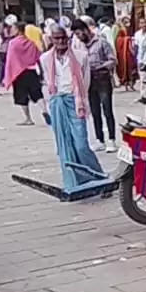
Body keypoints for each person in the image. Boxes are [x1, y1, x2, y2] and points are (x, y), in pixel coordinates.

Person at [39, 26, 110, 194]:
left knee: (81, 145)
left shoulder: (80, 56)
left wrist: (82, 102)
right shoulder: (45, 58)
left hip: (75, 100)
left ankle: (100, 180)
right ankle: (75, 183)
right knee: (65, 145)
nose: (61, 42)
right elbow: (48, 81)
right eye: (57, 39)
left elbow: (85, 82)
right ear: (52, 39)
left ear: (68, 38)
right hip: (57, 102)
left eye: (63, 38)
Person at [78, 19, 118, 152]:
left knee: (107, 110)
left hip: (102, 78)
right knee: (94, 111)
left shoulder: (102, 42)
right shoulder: (80, 46)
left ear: (85, 30)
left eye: (79, 34)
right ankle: (99, 139)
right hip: (89, 80)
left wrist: (101, 66)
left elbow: (112, 60)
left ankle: (111, 139)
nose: (78, 37)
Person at [2, 18, 45, 125]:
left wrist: (7, 76)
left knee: (22, 96)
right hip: (31, 71)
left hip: (19, 73)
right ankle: (45, 110)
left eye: (13, 28)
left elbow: (10, 60)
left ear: (17, 30)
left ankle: (28, 119)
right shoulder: (31, 42)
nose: (11, 30)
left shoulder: (13, 43)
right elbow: (38, 56)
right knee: (37, 93)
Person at [115, 14, 139, 91]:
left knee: (132, 67)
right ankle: (126, 84)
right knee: (125, 67)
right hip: (123, 53)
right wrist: (127, 39)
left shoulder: (129, 29)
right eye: (125, 21)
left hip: (129, 52)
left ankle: (131, 83)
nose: (127, 23)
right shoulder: (120, 29)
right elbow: (118, 40)